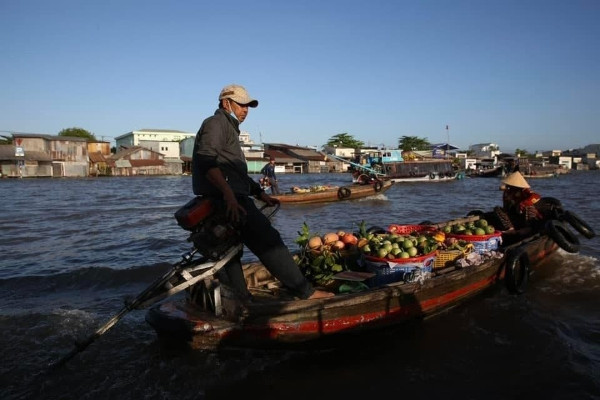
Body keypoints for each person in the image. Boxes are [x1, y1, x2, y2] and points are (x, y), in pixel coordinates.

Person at [191, 84, 333, 301]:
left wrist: (259, 193)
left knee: (230, 252)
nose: (245, 109)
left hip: (228, 197)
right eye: (241, 104)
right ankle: (305, 292)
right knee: (268, 240)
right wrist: (229, 195)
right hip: (227, 199)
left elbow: (235, 173)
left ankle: (241, 300)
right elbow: (206, 161)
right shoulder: (216, 123)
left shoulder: (228, 127)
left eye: (248, 106)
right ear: (225, 103)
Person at [497, 171, 544, 244]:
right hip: (514, 215)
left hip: (525, 215)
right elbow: (505, 206)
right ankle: (510, 228)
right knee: (498, 209)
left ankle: (528, 228)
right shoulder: (507, 193)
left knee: (529, 207)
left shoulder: (525, 190)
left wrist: (523, 204)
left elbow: (536, 197)